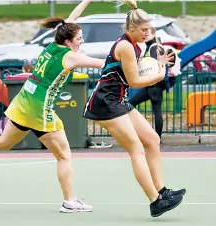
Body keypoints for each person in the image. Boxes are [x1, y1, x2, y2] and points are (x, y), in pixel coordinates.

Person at [0, 0, 105, 213]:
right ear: (67, 41)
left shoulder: (54, 43)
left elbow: (71, 20)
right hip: (39, 108)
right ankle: (69, 201)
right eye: (78, 39)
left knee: (2, 142)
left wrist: (87, 0)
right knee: (64, 155)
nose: (81, 41)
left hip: (25, 99)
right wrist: (134, 59)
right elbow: (104, 64)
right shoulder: (71, 56)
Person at [83, 0, 186, 217]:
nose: (148, 32)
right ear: (131, 29)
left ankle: (162, 191)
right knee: (136, 148)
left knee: (152, 140)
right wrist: (160, 71)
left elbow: (134, 75)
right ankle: (155, 201)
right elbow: (136, 82)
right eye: (144, 29)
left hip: (118, 99)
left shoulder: (136, 45)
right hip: (105, 102)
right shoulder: (126, 46)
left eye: (149, 28)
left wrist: (157, 64)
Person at [129, 27, 180, 142]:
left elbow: (153, 67)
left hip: (154, 85)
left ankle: (157, 138)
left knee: (155, 110)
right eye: (144, 33)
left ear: (154, 35)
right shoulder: (154, 46)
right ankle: (153, 136)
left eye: (148, 34)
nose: (145, 35)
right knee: (131, 104)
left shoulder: (154, 48)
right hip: (153, 85)